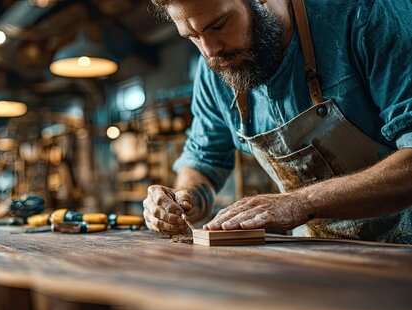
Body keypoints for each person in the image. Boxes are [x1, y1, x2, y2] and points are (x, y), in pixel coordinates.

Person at [142, 0, 412, 243]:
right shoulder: (215, 70)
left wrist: (300, 202)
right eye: (192, 36)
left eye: (219, 25)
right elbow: (204, 160)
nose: (210, 51)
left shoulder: (367, 15)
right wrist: (181, 201)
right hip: (318, 256)